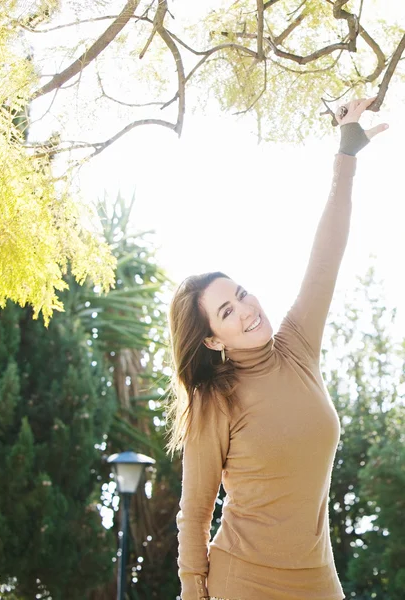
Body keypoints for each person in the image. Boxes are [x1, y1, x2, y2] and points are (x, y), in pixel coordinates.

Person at [164, 98, 389, 600]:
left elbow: (327, 252)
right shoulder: (214, 399)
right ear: (211, 340)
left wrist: (347, 155)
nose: (246, 309)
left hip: (320, 580)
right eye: (226, 312)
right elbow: (196, 510)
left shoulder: (297, 346)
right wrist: (191, 589)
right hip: (242, 581)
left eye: (241, 293)